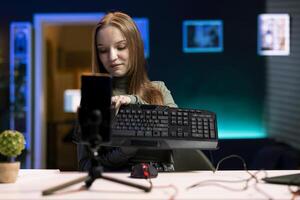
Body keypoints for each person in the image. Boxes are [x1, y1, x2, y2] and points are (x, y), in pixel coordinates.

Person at [76, 11, 178, 172]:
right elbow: (85, 165)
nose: (112, 56)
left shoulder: (158, 89)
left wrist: (134, 101)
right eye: (102, 50)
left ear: (135, 46)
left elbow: (178, 129)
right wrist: (125, 151)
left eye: (121, 47)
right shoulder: (94, 97)